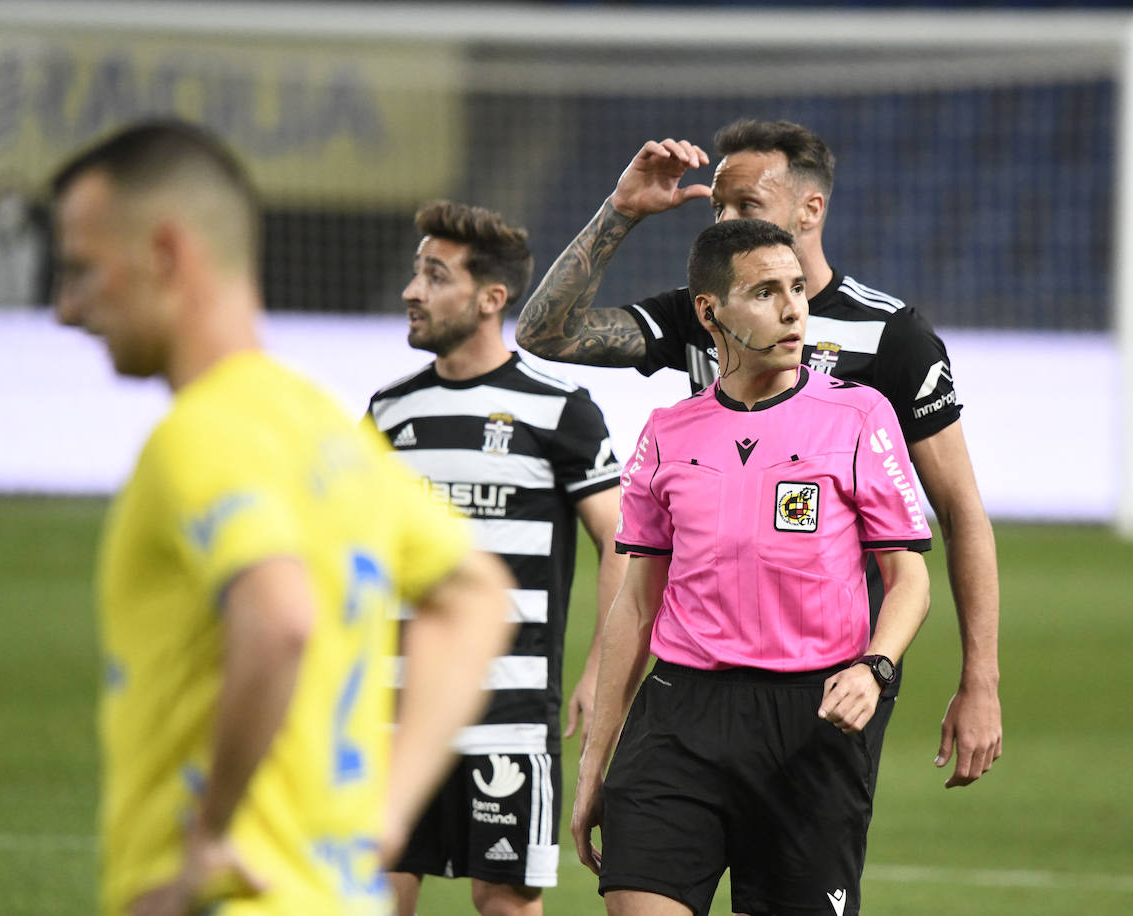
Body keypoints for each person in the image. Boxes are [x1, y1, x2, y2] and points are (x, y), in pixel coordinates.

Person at [50, 118, 514, 916]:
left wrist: (208, 833)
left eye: (85, 270)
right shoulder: (326, 433)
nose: (66, 308)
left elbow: (279, 616)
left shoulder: (199, 437)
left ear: (165, 253)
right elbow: (477, 596)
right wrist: (388, 810)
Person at [516, 119, 1001, 790]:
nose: (722, 219)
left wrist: (980, 680)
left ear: (811, 208)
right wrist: (621, 212)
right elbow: (546, 334)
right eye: (717, 204)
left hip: (827, 670)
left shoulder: (892, 338)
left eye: (746, 205)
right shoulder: (704, 313)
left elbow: (960, 511)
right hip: (698, 661)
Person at [570, 219, 931, 916]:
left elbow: (909, 576)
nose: (793, 307)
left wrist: (876, 666)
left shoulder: (858, 416)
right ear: (710, 312)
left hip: (808, 723)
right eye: (765, 292)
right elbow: (637, 603)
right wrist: (595, 763)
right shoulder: (666, 433)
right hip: (678, 716)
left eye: (796, 288)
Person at [365, 200, 626, 916]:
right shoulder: (389, 413)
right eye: (417, 274)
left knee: (504, 902)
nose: (411, 292)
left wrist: (599, 673)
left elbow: (624, 543)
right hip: (395, 705)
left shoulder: (559, 410)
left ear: (491, 297)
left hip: (508, 710)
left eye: (434, 276)